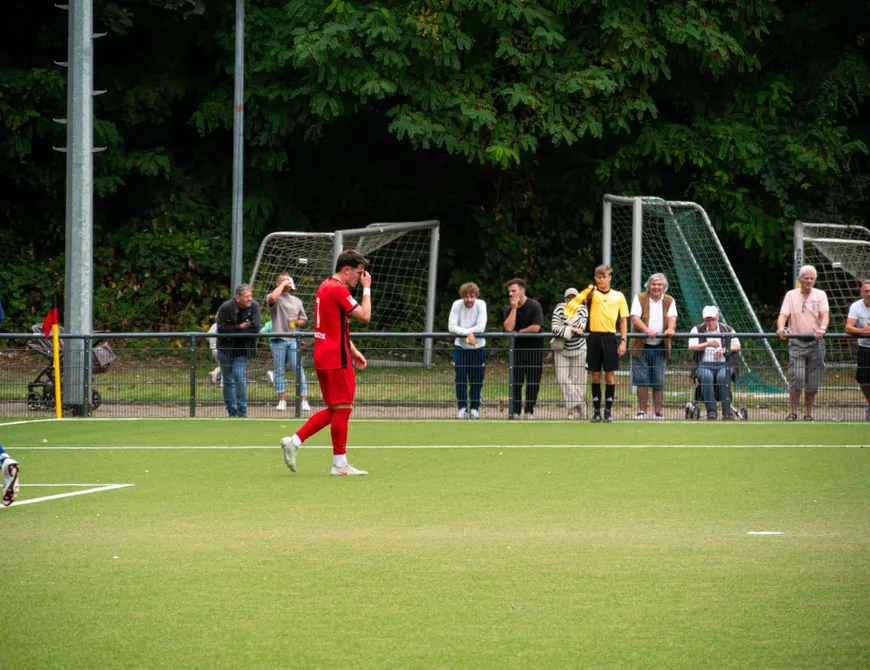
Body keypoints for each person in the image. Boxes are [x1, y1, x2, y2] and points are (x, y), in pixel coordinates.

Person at [280, 250, 372, 476]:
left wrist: (353, 350)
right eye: (359, 272)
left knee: (336, 410)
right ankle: (339, 464)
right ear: (347, 269)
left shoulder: (325, 286)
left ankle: (294, 441)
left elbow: (334, 326)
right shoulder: (338, 289)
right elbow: (365, 316)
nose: (360, 277)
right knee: (344, 407)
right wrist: (367, 289)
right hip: (336, 357)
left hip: (325, 354)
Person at [565, 264, 629, 423]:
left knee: (610, 375)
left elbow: (623, 320)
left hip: (610, 337)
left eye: (604, 277)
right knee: (595, 375)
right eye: (599, 277)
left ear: (610, 277)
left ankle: (608, 411)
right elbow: (581, 300)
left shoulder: (619, 296)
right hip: (594, 337)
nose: (602, 280)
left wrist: (623, 341)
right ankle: (596, 412)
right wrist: (588, 291)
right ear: (595, 278)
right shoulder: (592, 294)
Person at [776, 265, 830, 421]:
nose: (809, 281)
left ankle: (808, 414)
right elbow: (783, 314)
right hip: (796, 342)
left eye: (812, 278)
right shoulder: (791, 295)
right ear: (800, 279)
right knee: (797, 378)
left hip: (816, 343)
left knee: (813, 381)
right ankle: (793, 412)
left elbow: (825, 314)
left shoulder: (821, 294)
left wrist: (823, 328)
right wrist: (780, 328)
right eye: (806, 278)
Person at [629, 273, 677, 419]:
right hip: (641, 345)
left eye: (659, 285)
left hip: (660, 345)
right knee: (641, 380)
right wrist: (647, 330)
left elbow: (672, 317)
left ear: (664, 287)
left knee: (658, 381)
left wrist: (671, 329)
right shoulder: (639, 298)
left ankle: (657, 413)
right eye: (654, 284)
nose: (656, 287)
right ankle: (642, 411)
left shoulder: (669, 300)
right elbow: (635, 319)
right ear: (648, 286)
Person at [266, 272, 311, 413]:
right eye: (283, 280)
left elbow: (304, 320)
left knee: (298, 369)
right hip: (278, 339)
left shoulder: (297, 301)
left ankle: (303, 400)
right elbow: (272, 298)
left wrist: (297, 322)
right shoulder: (274, 297)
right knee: (279, 370)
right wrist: (283, 284)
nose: (287, 282)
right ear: (277, 283)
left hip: (293, 339)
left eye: (288, 280)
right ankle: (282, 400)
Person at [216, 284, 261, 417]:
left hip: (242, 350)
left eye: (250, 296)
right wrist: (239, 327)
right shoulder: (226, 307)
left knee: (239, 376)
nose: (250, 299)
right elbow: (221, 329)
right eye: (246, 296)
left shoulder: (254, 306)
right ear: (238, 298)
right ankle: (232, 411)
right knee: (227, 379)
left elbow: (256, 328)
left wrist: (236, 330)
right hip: (225, 349)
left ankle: (242, 410)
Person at [688, 306, 741, 420]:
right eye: (707, 320)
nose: (710, 322)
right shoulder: (697, 329)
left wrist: (724, 350)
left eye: (712, 319)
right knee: (707, 377)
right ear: (703, 319)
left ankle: (727, 412)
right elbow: (691, 346)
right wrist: (707, 344)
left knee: (723, 377)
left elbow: (737, 345)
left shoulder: (727, 329)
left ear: (718, 317)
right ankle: (711, 412)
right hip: (704, 364)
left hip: (724, 364)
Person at [502, 278, 544, 419]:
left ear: (522, 291)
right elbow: (509, 328)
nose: (510, 294)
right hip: (517, 351)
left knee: (533, 381)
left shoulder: (534, 306)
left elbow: (536, 327)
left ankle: (529, 411)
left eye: (513, 291)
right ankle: (515, 411)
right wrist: (514, 308)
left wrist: (520, 332)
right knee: (516, 381)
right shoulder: (509, 309)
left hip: (534, 350)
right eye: (509, 291)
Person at [448, 282, 488, 419]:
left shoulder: (481, 304)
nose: (469, 300)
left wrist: (467, 332)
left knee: (477, 379)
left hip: (478, 348)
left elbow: (481, 327)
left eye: (472, 296)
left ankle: (475, 408)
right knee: (460, 378)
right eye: (466, 297)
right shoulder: (457, 305)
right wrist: (468, 333)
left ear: (476, 296)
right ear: (462, 296)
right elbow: (451, 327)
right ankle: (462, 408)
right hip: (460, 348)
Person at [551, 287, 588, 419]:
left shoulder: (583, 309)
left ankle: (573, 411)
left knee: (579, 381)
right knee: (562, 378)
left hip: (579, 349)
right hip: (562, 349)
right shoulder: (559, 308)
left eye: (574, 297)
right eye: (568, 297)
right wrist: (571, 329)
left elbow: (581, 327)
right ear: (565, 298)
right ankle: (580, 404)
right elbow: (554, 327)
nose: (571, 300)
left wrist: (571, 314)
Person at [844, 279, 870, 421]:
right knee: (864, 380)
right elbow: (848, 327)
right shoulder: (856, 306)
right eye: (866, 291)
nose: (869, 294)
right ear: (861, 293)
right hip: (864, 347)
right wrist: (863, 331)